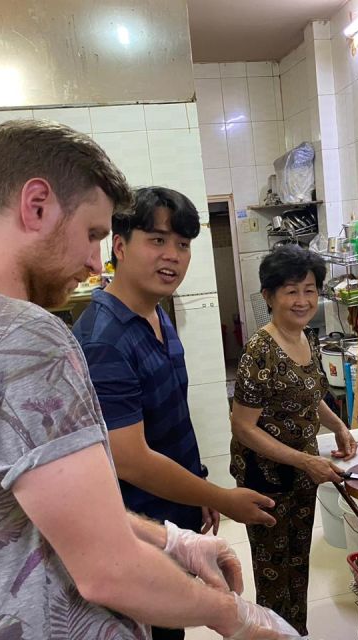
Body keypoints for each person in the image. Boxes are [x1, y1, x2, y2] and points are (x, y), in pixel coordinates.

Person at [0, 120, 299, 640]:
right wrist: (233, 616)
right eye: (91, 235)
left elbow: (40, 507)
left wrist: (172, 541)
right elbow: (108, 571)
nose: (92, 263)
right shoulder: (24, 336)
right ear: (35, 204)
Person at [72, 186, 277, 639]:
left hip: (173, 517)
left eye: (183, 245)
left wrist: (197, 485)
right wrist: (222, 495)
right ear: (119, 246)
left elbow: (172, 417)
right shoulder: (104, 339)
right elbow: (130, 457)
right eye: (158, 240)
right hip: (138, 531)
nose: (173, 256)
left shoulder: (156, 313)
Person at [230, 244, 358, 635]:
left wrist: (337, 425)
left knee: (297, 562)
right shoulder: (259, 350)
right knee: (274, 573)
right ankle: (272, 632)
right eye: (290, 290)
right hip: (266, 478)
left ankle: (295, 631)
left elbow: (310, 393)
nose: (302, 300)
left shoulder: (307, 338)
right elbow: (242, 426)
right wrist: (305, 461)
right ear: (269, 296)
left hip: (302, 474)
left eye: (309, 289)